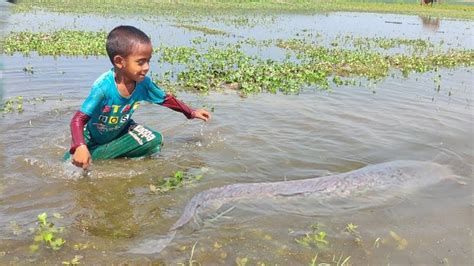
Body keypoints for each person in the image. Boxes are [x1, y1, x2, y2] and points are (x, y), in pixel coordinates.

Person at [64, 25, 211, 169]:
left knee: (155, 140)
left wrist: (191, 112)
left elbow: (165, 99)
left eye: (148, 61)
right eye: (141, 62)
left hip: (122, 129)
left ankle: (98, 157)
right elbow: (78, 120)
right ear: (119, 62)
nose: (146, 67)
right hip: (93, 136)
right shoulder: (103, 88)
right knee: (68, 165)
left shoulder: (143, 84)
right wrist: (80, 146)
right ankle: (92, 155)